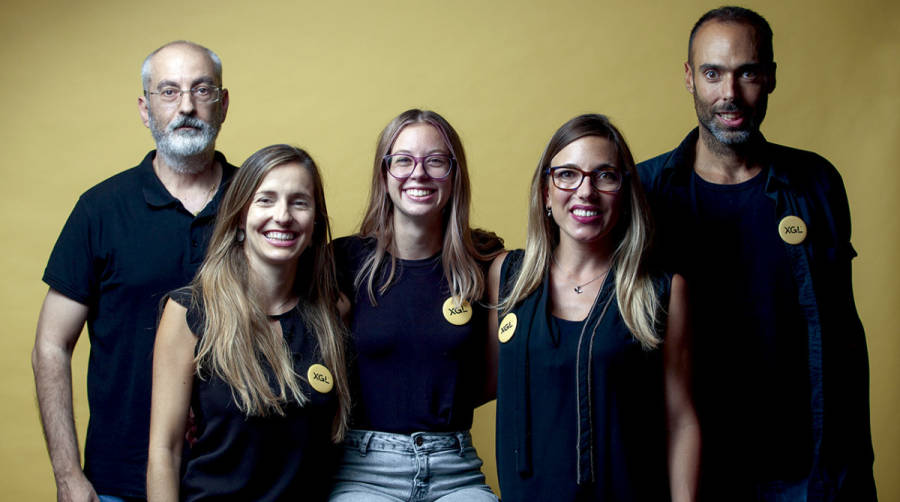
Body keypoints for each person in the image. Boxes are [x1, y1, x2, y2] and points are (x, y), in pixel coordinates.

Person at [637, 6, 876, 500]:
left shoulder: (816, 183)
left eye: (747, 72)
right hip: (690, 471)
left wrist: (853, 467)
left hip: (806, 472)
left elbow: (845, 337)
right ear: (689, 78)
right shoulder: (645, 192)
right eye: (712, 73)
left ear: (769, 77)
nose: (729, 94)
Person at [32, 41, 235, 502]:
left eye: (202, 90)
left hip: (237, 478)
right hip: (118, 480)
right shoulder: (101, 210)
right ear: (145, 110)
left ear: (223, 105)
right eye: (169, 91)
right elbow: (51, 344)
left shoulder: (261, 207)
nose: (187, 106)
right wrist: (68, 475)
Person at [488, 114, 699, 501]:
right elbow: (478, 378)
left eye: (604, 176)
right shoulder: (508, 277)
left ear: (625, 192)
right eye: (567, 174)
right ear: (545, 193)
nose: (586, 191)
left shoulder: (661, 291)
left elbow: (680, 420)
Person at [146, 144, 350, 501]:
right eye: (266, 200)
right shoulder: (190, 313)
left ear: (315, 223)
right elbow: (165, 451)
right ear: (240, 217)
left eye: (299, 202)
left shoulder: (332, 315)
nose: (283, 216)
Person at [329, 109, 502, 502]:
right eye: (403, 160)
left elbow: (491, 379)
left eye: (435, 161)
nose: (418, 173)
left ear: (455, 174)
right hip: (363, 468)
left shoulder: (486, 263)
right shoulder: (341, 261)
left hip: (455, 469)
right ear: (384, 173)